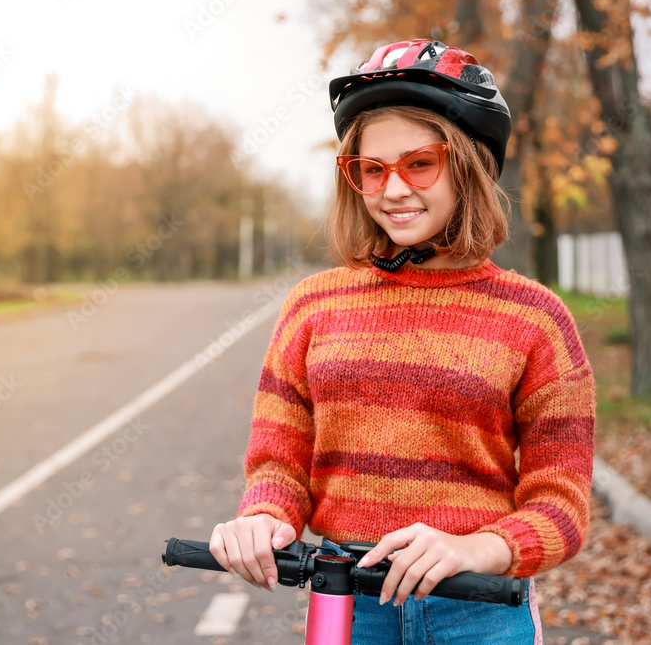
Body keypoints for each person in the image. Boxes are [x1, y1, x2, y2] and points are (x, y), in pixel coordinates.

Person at [210, 39, 596, 644]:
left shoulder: (537, 318)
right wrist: (262, 517)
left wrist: (480, 548)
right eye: (371, 169)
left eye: (419, 163)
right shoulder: (313, 306)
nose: (392, 190)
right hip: (349, 607)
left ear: (467, 163)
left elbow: (562, 503)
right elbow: (279, 465)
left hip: (480, 613)